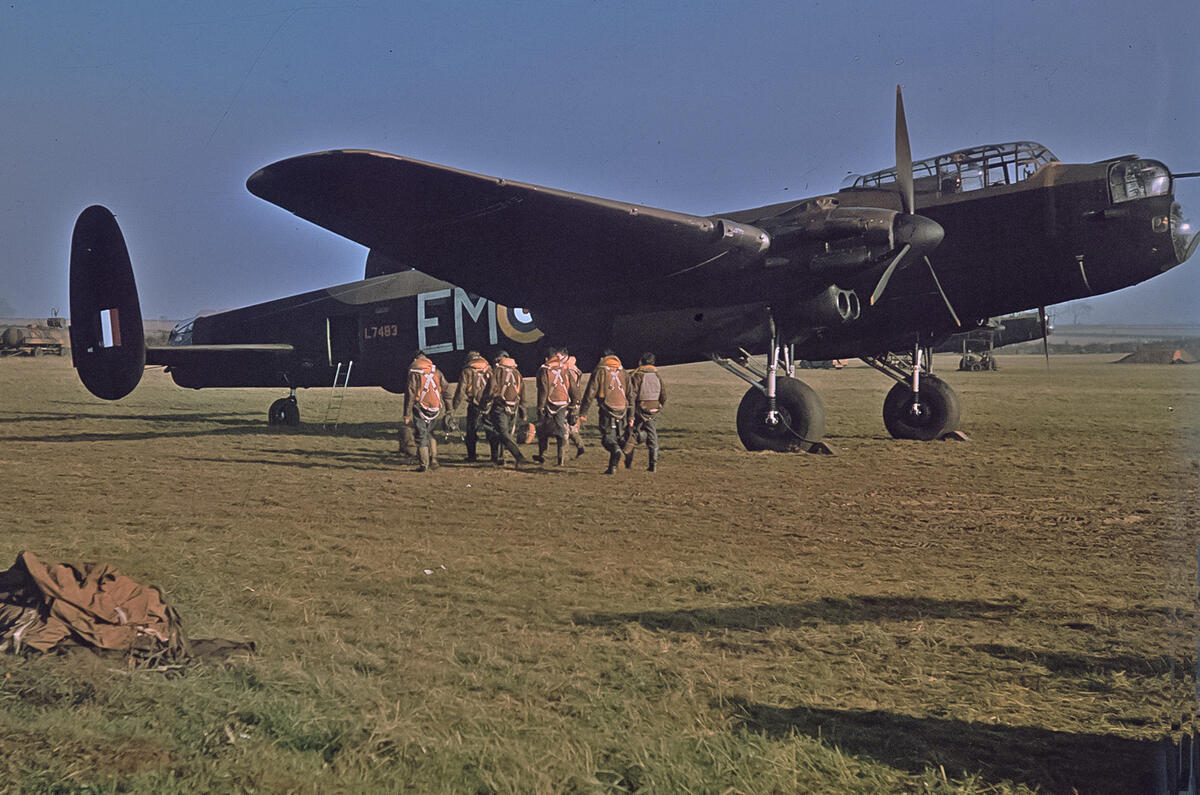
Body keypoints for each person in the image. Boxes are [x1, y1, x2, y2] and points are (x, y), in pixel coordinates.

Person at [579, 349, 629, 474]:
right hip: (623, 409)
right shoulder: (623, 371)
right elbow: (631, 393)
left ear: (602, 358)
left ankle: (616, 455)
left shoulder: (600, 371)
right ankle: (616, 464)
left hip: (607, 409)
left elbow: (590, 392)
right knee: (619, 436)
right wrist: (631, 414)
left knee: (607, 438)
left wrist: (583, 412)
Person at [403, 350, 450, 472]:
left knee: (421, 435)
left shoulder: (414, 372)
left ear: (415, 360)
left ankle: (424, 464)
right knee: (430, 433)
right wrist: (449, 409)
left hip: (420, 408)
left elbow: (410, 394)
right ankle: (434, 459)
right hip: (435, 407)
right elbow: (445, 389)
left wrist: (406, 414)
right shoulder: (436, 371)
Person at [533, 346, 578, 466]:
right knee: (561, 430)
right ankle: (561, 459)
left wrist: (540, 407)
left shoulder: (543, 370)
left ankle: (543, 455)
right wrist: (574, 403)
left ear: (546, 358)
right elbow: (573, 387)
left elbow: (543, 390)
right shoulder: (565, 368)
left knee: (542, 431)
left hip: (548, 403)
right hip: (563, 403)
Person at [623, 352, 667, 471]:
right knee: (652, 435)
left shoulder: (637, 375)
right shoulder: (657, 375)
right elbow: (664, 395)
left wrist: (630, 415)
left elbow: (632, 395)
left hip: (639, 408)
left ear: (640, 362)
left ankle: (628, 460)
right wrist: (659, 406)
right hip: (653, 408)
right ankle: (653, 464)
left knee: (631, 432)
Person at [484, 350, 527, 468]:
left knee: (501, 433)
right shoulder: (517, 373)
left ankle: (518, 456)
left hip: (499, 406)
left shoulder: (496, 372)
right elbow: (522, 391)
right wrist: (523, 408)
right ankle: (499, 458)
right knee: (505, 433)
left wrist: (486, 402)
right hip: (514, 407)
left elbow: (491, 389)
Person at [451, 350, 491, 462]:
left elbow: (460, 391)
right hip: (488, 404)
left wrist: (453, 407)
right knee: (491, 430)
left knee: (471, 431)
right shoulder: (489, 368)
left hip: (474, 405)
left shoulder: (467, 371)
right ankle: (496, 456)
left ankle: (472, 456)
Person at [564, 353, 587, 458]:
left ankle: (564, 454)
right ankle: (580, 446)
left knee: (565, 428)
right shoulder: (576, 370)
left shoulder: (569, 371)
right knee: (572, 428)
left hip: (569, 401)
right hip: (576, 401)